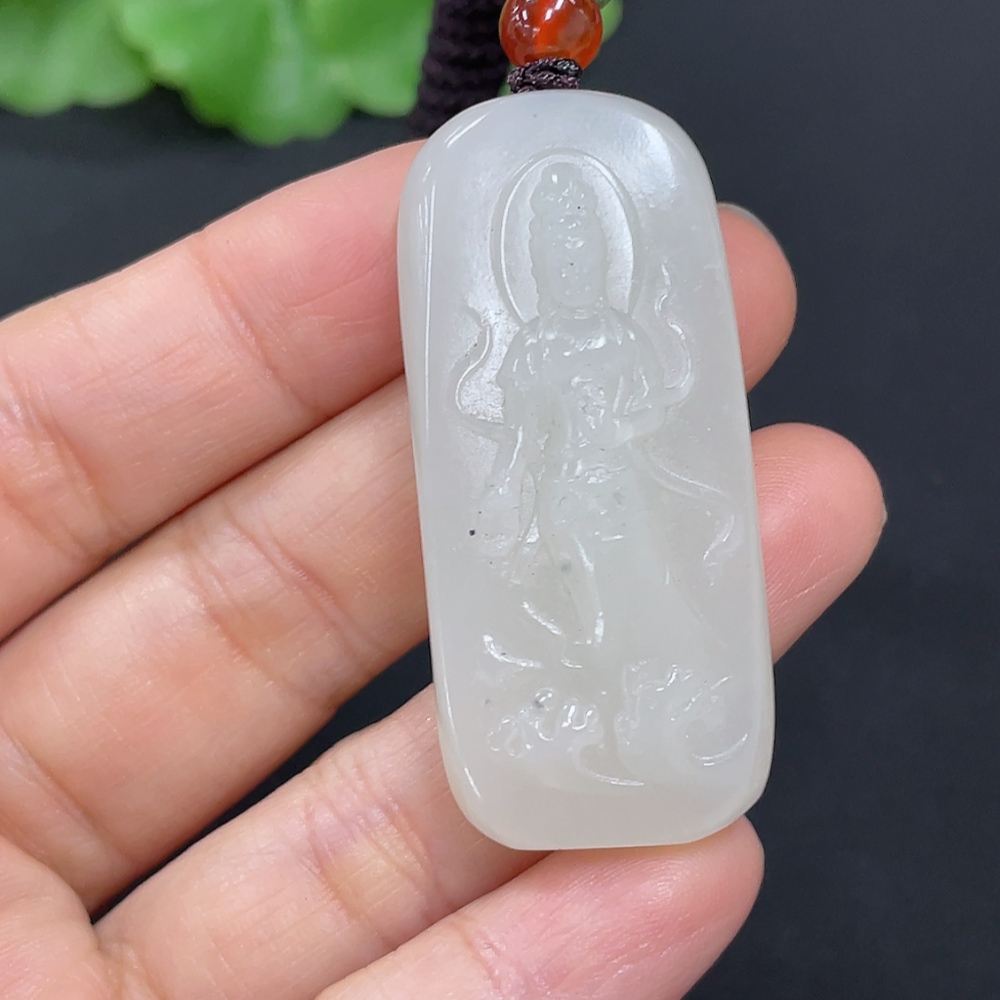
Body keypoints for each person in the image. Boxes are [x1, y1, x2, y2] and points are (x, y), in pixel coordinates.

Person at [0, 142, 884, 1000]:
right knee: (592, 622)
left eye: (581, 248)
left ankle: (654, 720)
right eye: (553, 252)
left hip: (626, 501)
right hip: (569, 511)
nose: (569, 264)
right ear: (533, 266)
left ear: (600, 256)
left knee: (648, 609)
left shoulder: (621, 334)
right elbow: (521, 445)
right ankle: (606, 725)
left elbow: (654, 416)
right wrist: (506, 510)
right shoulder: (534, 350)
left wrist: (624, 431)